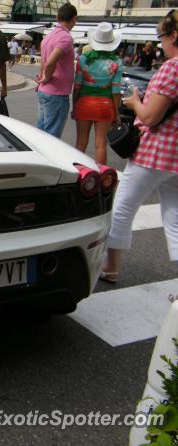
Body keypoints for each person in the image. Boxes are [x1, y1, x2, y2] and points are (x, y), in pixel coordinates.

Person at [100, 9, 178, 284]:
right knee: (175, 218)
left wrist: (134, 103)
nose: (160, 43)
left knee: (123, 207)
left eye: (162, 37)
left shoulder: (173, 67)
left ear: (174, 35)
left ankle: (110, 266)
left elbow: (150, 117)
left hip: (156, 152)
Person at [72, 22, 123, 165]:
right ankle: (101, 176)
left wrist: (74, 105)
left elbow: (77, 86)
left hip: (84, 104)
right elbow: (116, 91)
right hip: (105, 106)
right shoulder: (116, 62)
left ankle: (78, 173)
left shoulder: (83, 59)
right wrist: (117, 112)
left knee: (81, 142)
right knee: (100, 144)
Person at [35, 3, 77, 138]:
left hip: (45, 90)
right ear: (74, 19)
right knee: (52, 136)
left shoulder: (49, 36)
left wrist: (42, 77)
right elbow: (49, 62)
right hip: (57, 93)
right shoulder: (65, 37)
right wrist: (47, 76)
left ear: (57, 17)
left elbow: (44, 61)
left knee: (41, 132)